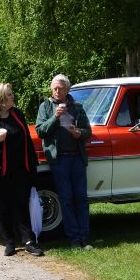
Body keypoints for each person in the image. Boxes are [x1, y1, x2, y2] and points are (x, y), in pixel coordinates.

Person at [0, 82, 43, 257]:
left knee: (22, 205)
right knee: (3, 207)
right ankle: (9, 242)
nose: (13, 96)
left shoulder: (17, 114)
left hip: (20, 170)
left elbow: (27, 141)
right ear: (1, 98)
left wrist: (33, 166)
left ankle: (28, 241)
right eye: (10, 94)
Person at [35, 74, 92, 249]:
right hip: (59, 159)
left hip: (77, 158)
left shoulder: (77, 107)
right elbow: (40, 131)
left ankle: (85, 238)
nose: (57, 91)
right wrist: (55, 117)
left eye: (60, 88)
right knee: (66, 199)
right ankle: (74, 239)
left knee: (81, 198)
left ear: (67, 89)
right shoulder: (45, 107)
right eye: (54, 88)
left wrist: (79, 133)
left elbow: (88, 131)